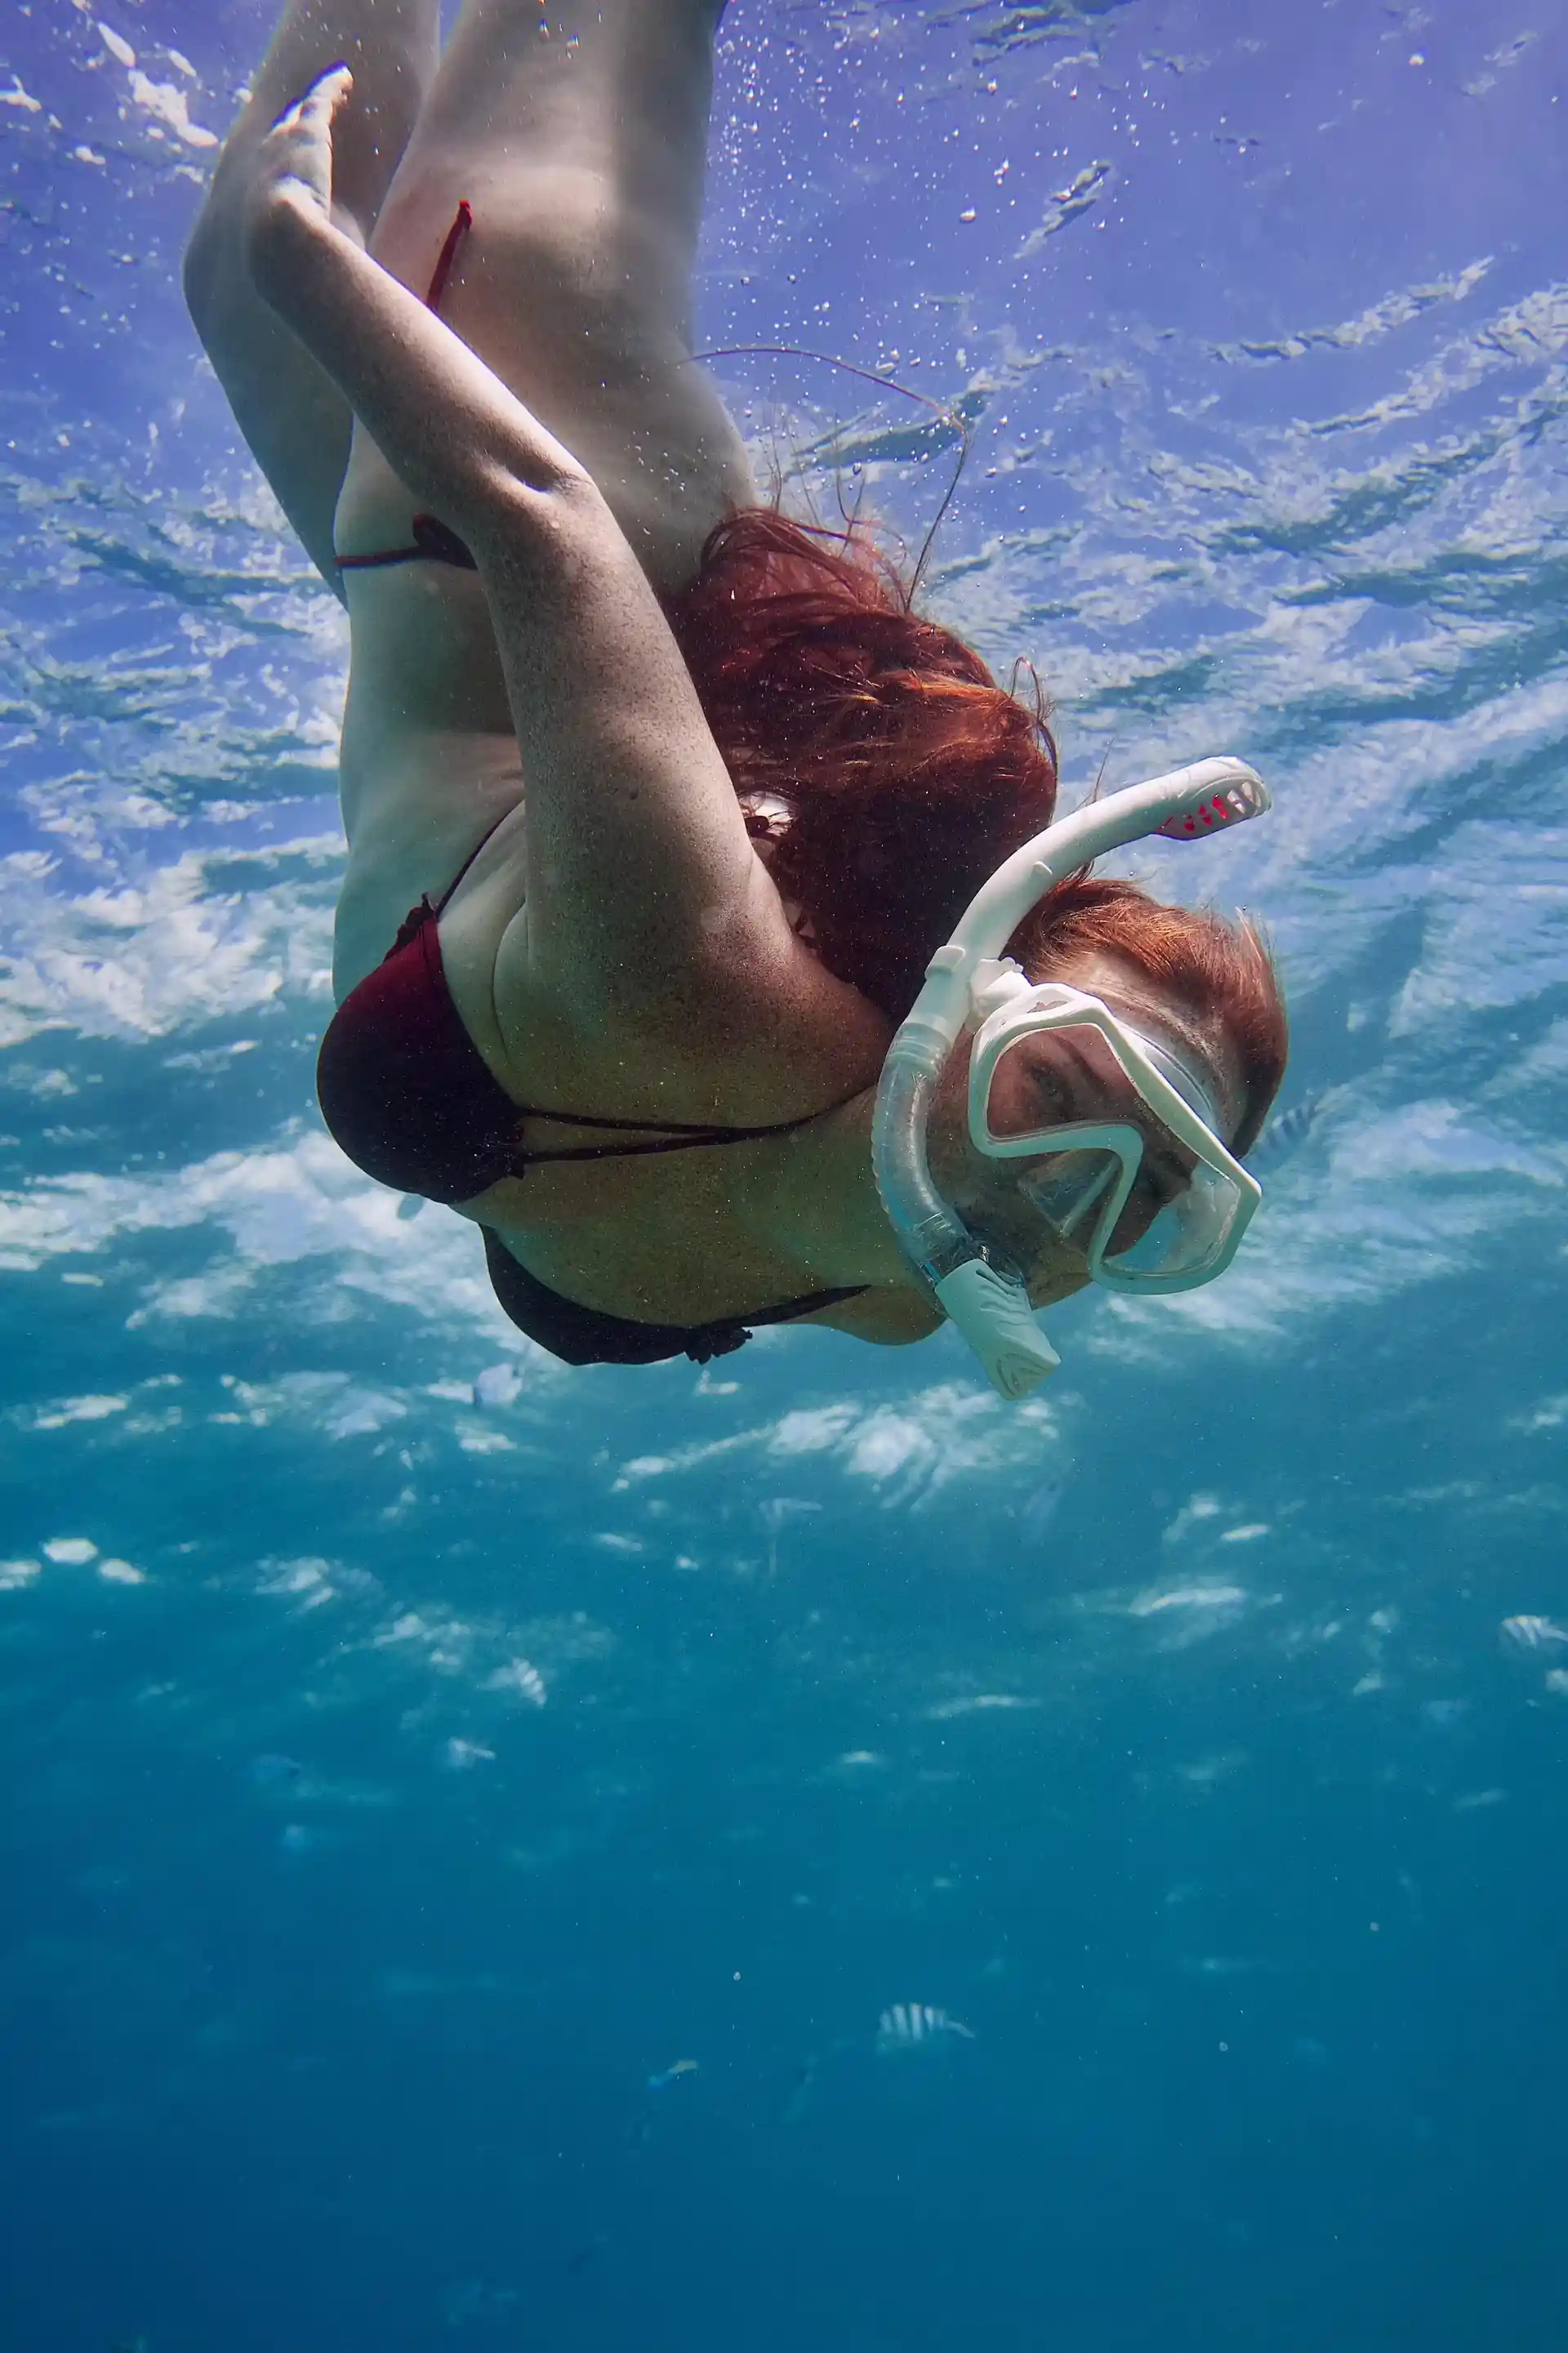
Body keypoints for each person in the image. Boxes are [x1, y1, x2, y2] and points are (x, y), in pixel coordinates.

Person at [182, 0, 1287, 1378]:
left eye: (1150, 1210)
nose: (1061, 1205)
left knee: (222, 283)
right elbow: (538, 514)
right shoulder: (690, 977)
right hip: (524, 515)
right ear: (955, 1002)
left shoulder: (899, 1297)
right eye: (1048, 1095)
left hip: (439, 642)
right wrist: (303, 257)